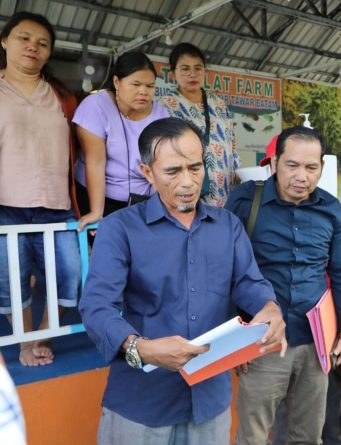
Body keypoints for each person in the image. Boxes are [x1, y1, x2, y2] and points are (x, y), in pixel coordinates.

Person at [78, 117, 286, 445]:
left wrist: (269, 306)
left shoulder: (227, 225)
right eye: (173, 171)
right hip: (142, 402)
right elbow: (96, 306)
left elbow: (248, 281)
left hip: (209, 400)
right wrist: (141, 348)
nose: (188, 182)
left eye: (195, 167)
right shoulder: (120, 229)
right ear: (147, 172)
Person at [225, 126, 341, 445]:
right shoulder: (247, 200)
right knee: (253, 436)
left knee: (308, 436)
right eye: (292, 165)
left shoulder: (330, 209)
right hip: (262, 341)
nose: (302, 176)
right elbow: (224, 270)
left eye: (311, 167)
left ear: (321, 167)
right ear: (274, 162)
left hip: (316, 342)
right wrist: (233, 337)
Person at [0, 11, 81, 366]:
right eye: (24, 38)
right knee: (10, 280)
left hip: (57, 205)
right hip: (6, 206)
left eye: (42, 43)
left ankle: (42, 336)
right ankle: (23, 344)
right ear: (5, 41)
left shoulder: (63, 97)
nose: (33, 47)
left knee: (70, 274)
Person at [73, 51, 169, 229]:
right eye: (136, 84)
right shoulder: (95, 106)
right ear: (117, 82)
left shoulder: (161, 114)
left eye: (150, 86)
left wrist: (155, 209)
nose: (143, 92)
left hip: (142, 202)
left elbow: (159, 166)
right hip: (99, 198)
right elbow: (95, 161)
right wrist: (96, 212)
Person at [160, 43, 238, 207]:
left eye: (198, 68)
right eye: (185, 69)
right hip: (189, 188)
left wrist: (237, 169)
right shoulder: (165, 106)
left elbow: (232, 141)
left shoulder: (219, 103)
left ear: (205, 71)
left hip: (224, 186)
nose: (192, 74)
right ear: (173, 73)